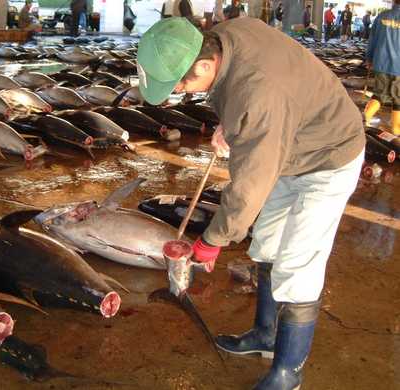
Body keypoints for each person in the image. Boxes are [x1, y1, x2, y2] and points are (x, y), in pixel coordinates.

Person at [137, 17, 365, 390]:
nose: (180, 91)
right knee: (266, 245)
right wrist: (231, 120)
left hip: (328, 157)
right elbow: (247, 99)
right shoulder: (226, 35)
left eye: (181, 83)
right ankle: (265, 335)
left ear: (206, 64)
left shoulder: (258, 96)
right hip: (289, 146)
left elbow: (247, 190)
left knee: (297, 266)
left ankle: (287, 373)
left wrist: (211, 242)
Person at [364, 0, 400, 135]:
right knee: (398, 100)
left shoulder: (382, 16)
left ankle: (363, 122)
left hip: (381, 63)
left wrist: (369, 58)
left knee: (379, 95)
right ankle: (396, 132)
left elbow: (372, 39)